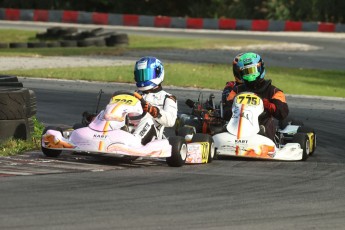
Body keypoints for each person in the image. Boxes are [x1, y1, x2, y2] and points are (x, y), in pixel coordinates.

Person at [223, 52, 289, 141]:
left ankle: (265, 139)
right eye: (246, 71)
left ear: (260, 68)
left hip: (262, 129)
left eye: (252, 70)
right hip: (237, 127)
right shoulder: (236, 90)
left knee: (266, 123)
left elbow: (282, 113)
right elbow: (226, 112)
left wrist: (268, 105)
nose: (250, 75)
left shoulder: (273, 91)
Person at [132, 56, 178, 145]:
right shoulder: (134, 94)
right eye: (140, 75)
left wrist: (155, 111)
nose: (143, 78)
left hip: (152, 137)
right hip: (130, 126)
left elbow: (171, 121)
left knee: (148, 121)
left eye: (146, 74)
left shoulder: (167, 97)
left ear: (158, 73)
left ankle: (133, 142)